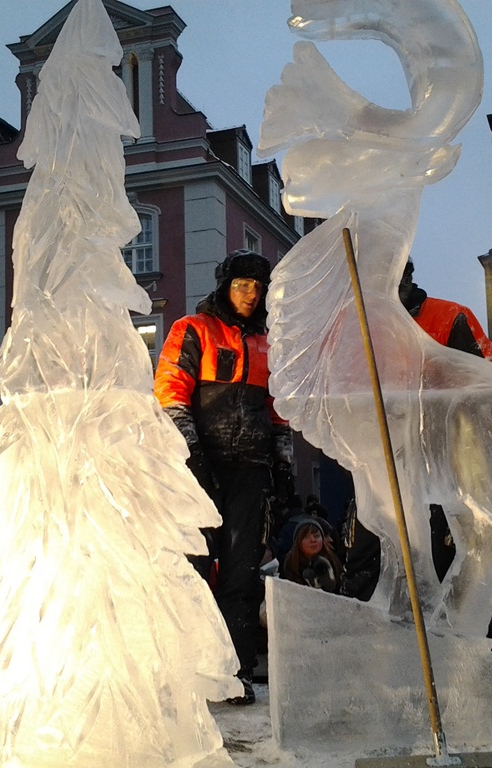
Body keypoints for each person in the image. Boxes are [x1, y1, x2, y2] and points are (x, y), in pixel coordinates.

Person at [154, 249, 293, 705]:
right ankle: (189, 666)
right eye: (242, 285)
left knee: (241, 573)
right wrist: (191, 451)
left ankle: (235, 671)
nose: (250, 295)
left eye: (257, 287)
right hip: (202, 466)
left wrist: (284, 463)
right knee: (193, 566)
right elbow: (170, 389)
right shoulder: (191, 330)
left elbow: (277, 410)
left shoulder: (267, 343)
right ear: (225, 286)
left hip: (248, 470)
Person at [397, 260, 492, 582]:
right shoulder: (367, 326)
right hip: (395, 455)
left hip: (451, 454)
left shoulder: (450, 316)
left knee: (452, 547)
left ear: (407, 276)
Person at [281, 518, 343, 593]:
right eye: (306, 537)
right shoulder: (289, 565)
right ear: (298, 542)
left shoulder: (333, 560)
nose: (313, 540)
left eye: (316, 536)